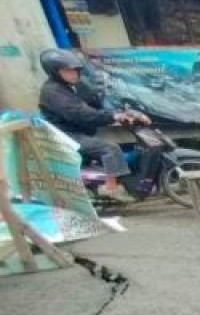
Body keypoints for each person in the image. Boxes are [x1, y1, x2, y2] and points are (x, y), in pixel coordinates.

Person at [37, 49, 156, 202]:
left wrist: (122, 112)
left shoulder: (72, 87)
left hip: (78, 131)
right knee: (110, 149)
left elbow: (94, 105)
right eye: (67, 71)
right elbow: (80, 113)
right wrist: (113, 116)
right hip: (66, 135)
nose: (73, 74)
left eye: (75, 70)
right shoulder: (53, 92)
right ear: (54, 72)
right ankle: (110, 188)